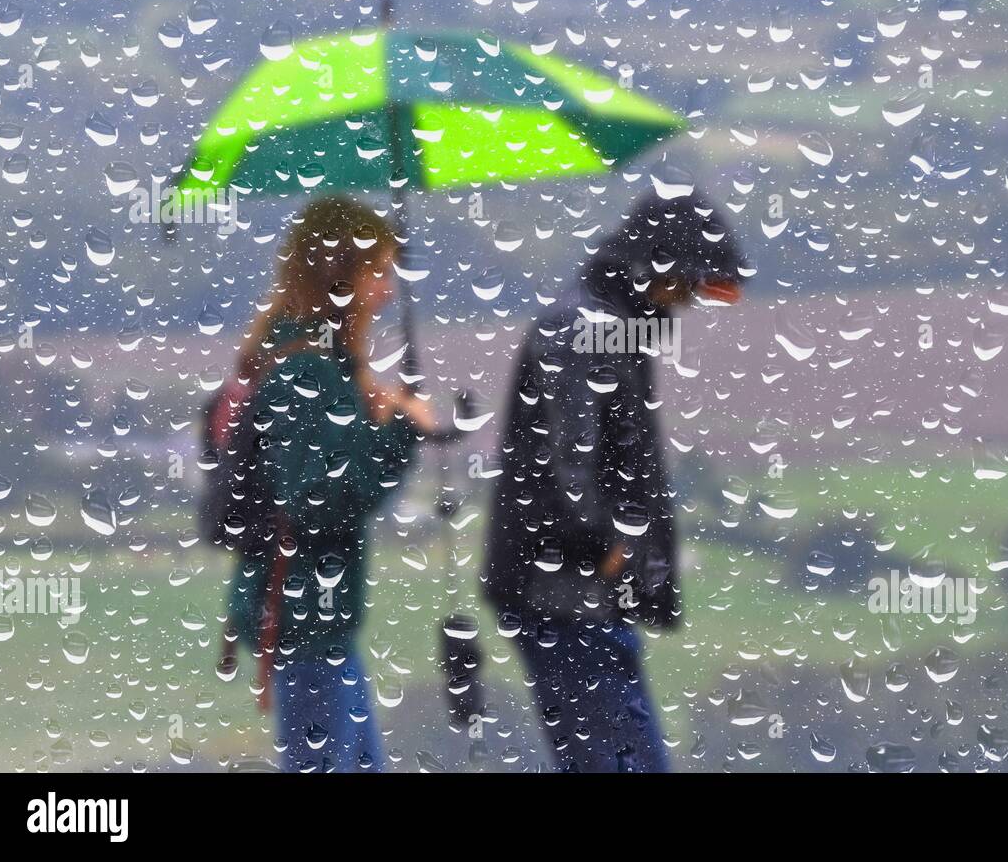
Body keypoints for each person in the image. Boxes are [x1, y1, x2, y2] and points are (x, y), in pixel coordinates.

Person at [482, 191, 745, 772]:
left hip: (583, 596)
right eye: (688, 284)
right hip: (565, 596)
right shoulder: (585, 329)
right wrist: (610, 547)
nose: (688, 302)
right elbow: (568, 464)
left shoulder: (610, 324)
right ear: (656, 267)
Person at [220, 196, 434, 772]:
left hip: (319, 622)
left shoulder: (319, 363)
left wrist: (373, 415)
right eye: (377, 272)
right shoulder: (305, 370)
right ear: (340, 275)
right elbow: (318, 501)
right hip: (303, 623)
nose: (388, 291)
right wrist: (398, 434)